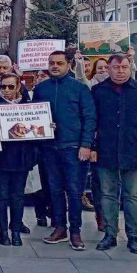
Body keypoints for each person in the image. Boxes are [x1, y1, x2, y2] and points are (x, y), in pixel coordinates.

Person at [90, 54, 137, 254]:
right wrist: (92, 147)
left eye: (124, 67)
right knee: (108, 195)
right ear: (108, 69)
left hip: (133, 150)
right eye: (116, 67)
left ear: (130, 68)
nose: (120, 71)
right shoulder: (98, 91)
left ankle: (133, 237)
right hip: (105, 150)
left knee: (132, 196)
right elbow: (92, 121)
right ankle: (110, 234)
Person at [34, 50, 96, 251]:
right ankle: (60, 227)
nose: (54, 66)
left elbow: (89, 118)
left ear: (68, 64)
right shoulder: (41, 88)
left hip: (73, 147)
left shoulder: (80, 88)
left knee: (74, 191)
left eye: (59, 63)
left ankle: (75, 231)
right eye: (51, 62)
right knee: (55, 190)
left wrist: (86, 145)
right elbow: (33, 117)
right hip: (49, 148)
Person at [0, 73, 40, 246]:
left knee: (18, 197)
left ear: (19, 87)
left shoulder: (29, 106)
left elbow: (37, 129)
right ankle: (3, 232)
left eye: (11, 86)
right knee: (1, 196)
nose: (7, 90)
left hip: (21, 158)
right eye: (3, 86)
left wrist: (46, 126)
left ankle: (15, 230)